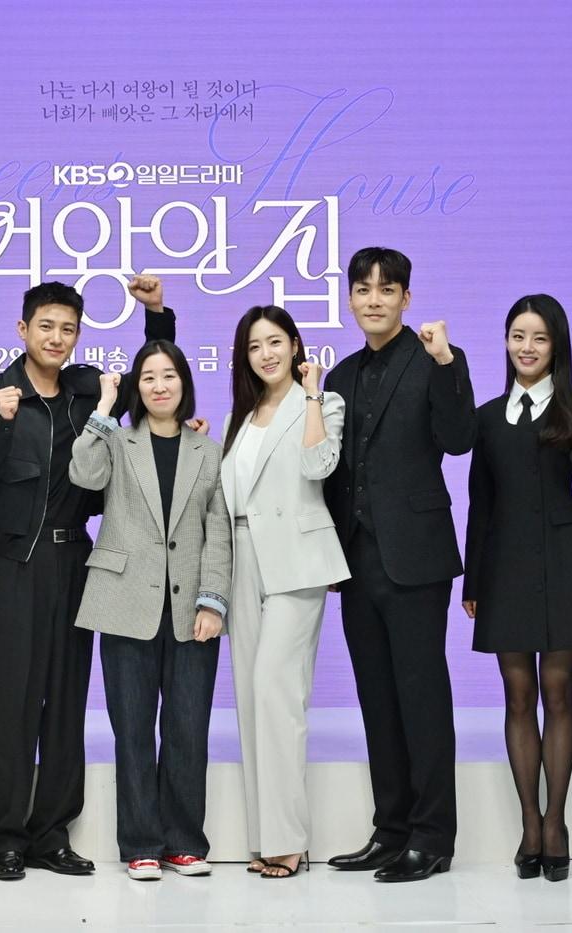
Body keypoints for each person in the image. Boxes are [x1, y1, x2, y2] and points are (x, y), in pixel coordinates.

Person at [0, 276, 175, 881]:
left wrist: (156, 315)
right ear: (23, 329)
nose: (56, 338)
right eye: (45, 326)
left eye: (68, 329)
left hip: (78, 564)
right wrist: (2, 425)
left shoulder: (87, 390)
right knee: (10, 705)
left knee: (66, 704)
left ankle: (51, 835)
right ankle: (6, 838)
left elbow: (154, 383)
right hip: (16, 565)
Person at [323, 247, 476, 882]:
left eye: (387, 289)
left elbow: (459, 439)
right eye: (363, 289)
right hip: (356, 559)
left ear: (407, 299)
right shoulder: (339, 376)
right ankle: (391, 830)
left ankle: (433, 836)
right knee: (377, 699)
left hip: (415, 556)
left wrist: (445, 364)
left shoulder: (436, 358)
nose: (374, 299)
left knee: (422, 696)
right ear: (350, 299)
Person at [461, 295, 572, 882]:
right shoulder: (486, 417)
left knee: (558, 694)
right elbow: (480, 504)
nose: (526, 347)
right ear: (506, 341)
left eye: (539, 338)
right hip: (502, 567)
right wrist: (473, 578)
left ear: (557, 346)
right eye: (517, 336)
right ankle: (529, 822)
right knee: (517, 696)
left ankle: (556, 823)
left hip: (561, 562)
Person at [70, 340, 232, 882]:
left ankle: (184, 842)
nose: (160, 386)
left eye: (169, 376)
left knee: (188, 730)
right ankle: (141, 843)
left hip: (191, 609)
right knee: (133, 730)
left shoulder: (208, 450)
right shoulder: (117, 440)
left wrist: (214, 600)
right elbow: (83, 474)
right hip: (124, 601)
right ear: (136, 388)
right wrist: (103, 407)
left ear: (185, 382)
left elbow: (218, 531)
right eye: (148, 377)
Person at [219, 306, 348, 879]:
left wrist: (313, 392)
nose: (266, 354)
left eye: (275, 342)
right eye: (254, 346)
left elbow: (320, 465)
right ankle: (263, 836)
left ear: (295, 345)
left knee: (278, 691)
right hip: (242, 558)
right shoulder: (240, 417)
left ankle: (290, 840)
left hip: (296, 560)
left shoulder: (323, 401)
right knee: (251, 698)